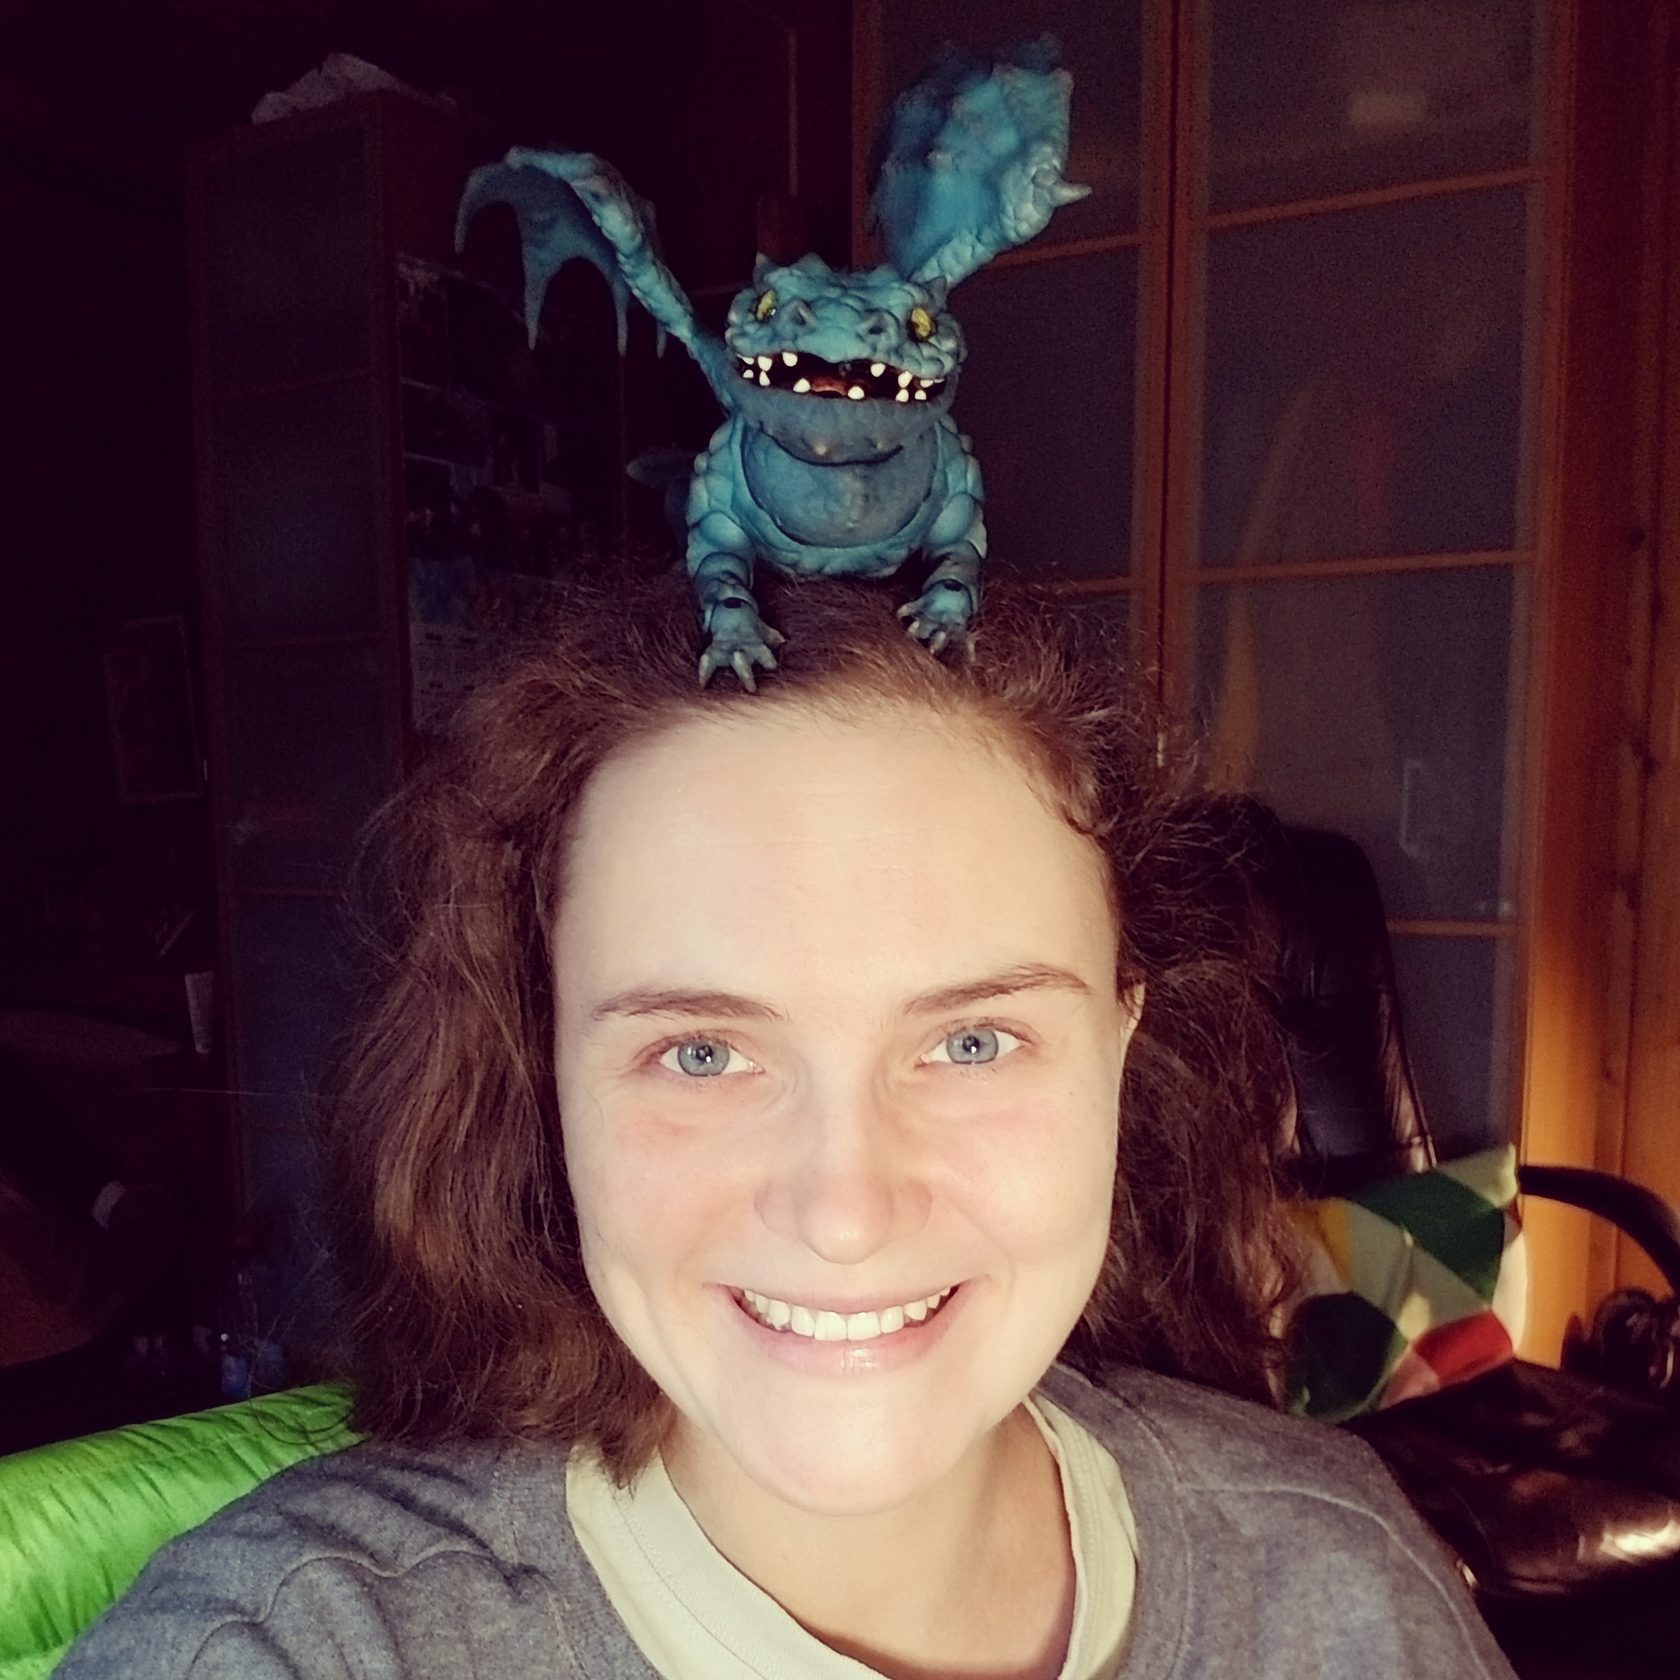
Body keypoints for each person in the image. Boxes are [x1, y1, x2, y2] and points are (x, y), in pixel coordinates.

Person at [57, 575, 1516, 1679]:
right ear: (542, 1074)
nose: (845, 1210)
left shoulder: (1340, 1583)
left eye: (970, 1040)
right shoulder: (292, 1645)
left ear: (1122, 1043)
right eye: (701, 1052)